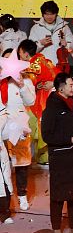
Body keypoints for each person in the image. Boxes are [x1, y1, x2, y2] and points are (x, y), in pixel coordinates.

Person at [40, 73, 73, 233]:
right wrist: (68, 139)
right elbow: (47, 135)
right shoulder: (52, 108)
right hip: (60, 156)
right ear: (61, 87)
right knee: (59, 192)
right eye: (70, 85)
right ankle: (56, 228)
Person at [0, 50, 35, 212]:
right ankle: (6, 198)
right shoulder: (1, 81)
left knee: (21, 163)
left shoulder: (26, 80)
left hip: (19, 124)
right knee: (4, 162)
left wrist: (21, 85)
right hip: (2, 123)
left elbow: (31, 100)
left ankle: (22, 196)